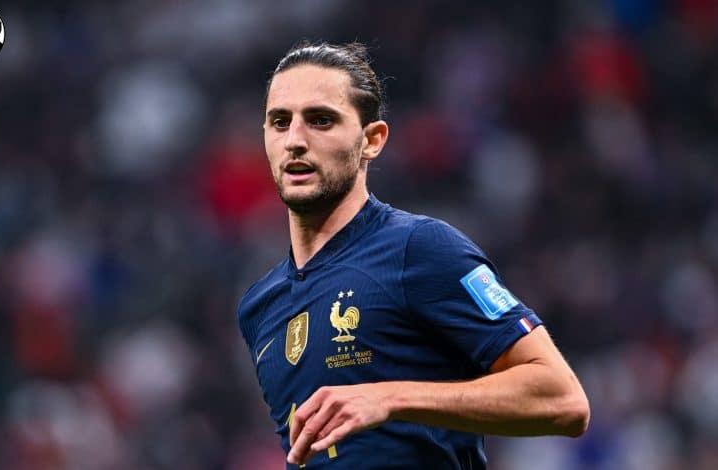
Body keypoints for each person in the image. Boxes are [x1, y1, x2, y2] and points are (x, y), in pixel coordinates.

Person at [236, 41, 590, 469]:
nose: (295, 140)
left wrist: (390, 398)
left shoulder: (419, 248)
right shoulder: (260, 307)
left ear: (372, 140)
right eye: (280, 122)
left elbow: (563, 398)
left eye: (321, 120)